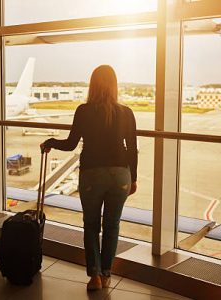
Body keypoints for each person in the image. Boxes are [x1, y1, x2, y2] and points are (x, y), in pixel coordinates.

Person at [40, 65, 137, 291]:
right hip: (120, 174)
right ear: (114, 85)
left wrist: (50, 142)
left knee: (91, 225)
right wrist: (133, 178)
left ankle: (95, 276)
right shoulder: (127, 112)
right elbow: (132, 148)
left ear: (92, 84)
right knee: (112, 226)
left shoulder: (83, 110)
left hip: (92, 174)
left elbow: (71, 144)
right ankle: (106, 272)